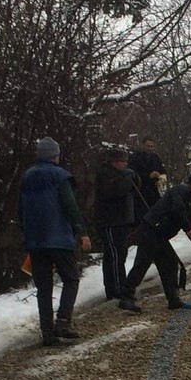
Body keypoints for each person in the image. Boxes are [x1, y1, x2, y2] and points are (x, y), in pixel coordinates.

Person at [18, 137, 92, 346]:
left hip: (35, 241)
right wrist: (82, 232)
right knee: (71, 279)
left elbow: (20, 210)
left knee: (44, 286)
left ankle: (47, 331)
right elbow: (69, 206)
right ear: (55, 155)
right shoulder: (60, 176)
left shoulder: (26, 177)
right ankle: (63, 321)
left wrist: (27, 234)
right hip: (58, 238)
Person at [118, 173, 191, 313]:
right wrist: (187, 228)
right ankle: (126, 297)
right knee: (142, 263)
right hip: (151, 229)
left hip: (160, 235)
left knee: (169, 264)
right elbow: (177, 210)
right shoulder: (180, 191)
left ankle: (173, 299)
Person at [94, 148, 138, 300]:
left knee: (120, 253)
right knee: (114, 255)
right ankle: (116, 288)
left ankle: (119, 286)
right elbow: (115, 191)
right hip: (110, 221)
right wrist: (125, 179)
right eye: (122, 161)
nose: (125, 164)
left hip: (120, 220)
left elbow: (134, 187)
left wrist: (133, 177)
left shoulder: (118, 174)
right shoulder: (105, 174)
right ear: (114, 162)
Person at [128, 135, 166, 220]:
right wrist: (148, 176)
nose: (150, 148)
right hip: (140, 193)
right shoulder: (135, 157)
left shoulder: (155, 158)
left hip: (154, 192)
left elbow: (162, 171)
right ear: (142, 145)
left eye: (152, 147)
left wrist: (161, 178)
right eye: (148, 146)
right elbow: (133, 174)